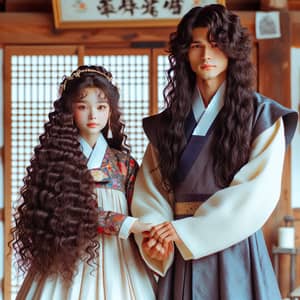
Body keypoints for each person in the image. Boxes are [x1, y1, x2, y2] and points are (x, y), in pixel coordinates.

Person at [131, 4, 298, 300]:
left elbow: (257, 191)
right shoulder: (167, 125)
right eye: (197, 45)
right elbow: (151, 190)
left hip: (235, 246)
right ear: (185, 52)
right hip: (179, 246)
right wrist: (157, 233)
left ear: (232, 49)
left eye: (216, 44)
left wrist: (192, 231)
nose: (206, 55)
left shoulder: (261, 116)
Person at [11, 65, 156, 300]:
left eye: (101, 107)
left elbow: (141, 206)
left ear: (110, 111)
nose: (93, 116)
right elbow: (65, 213)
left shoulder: (123, 163)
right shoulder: (57, 160)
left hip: (119, 260)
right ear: (69, 111)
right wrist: (127, 224)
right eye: (82, 107)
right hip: (66, 257)